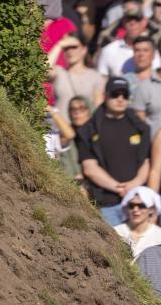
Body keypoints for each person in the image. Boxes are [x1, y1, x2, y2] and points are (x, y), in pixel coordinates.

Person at [76, 75, 151, 223]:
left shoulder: (141, 127)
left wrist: (132, 186)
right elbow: (89, 168)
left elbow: (146, 162)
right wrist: (119, 188)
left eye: (125, 95)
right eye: (115, 94)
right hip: (106, 203)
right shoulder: (89, 129)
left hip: (138, 203)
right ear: (105, 96)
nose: (120, 98)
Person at [47, 31, 104, 121]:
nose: (70, 51)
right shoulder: (59, 72)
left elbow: (98, 109)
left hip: (84, 131)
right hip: (60, 131)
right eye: (66, 48)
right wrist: (59, 45)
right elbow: (43, 71)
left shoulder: (95, 76)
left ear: (84, 50)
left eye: (74, 47)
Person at [98, 6, 161, 78]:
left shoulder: (154, 50)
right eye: (129, 19)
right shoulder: (108, 50)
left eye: (137, 19)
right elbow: (102, 81)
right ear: (123, 22)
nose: (132, 23)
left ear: (144, 22)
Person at [113, 187, 161, 260]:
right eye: (131, 206)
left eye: (141, 206)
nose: (135, 210)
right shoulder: (116, 232)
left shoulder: (158, 236)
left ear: (152, 209)